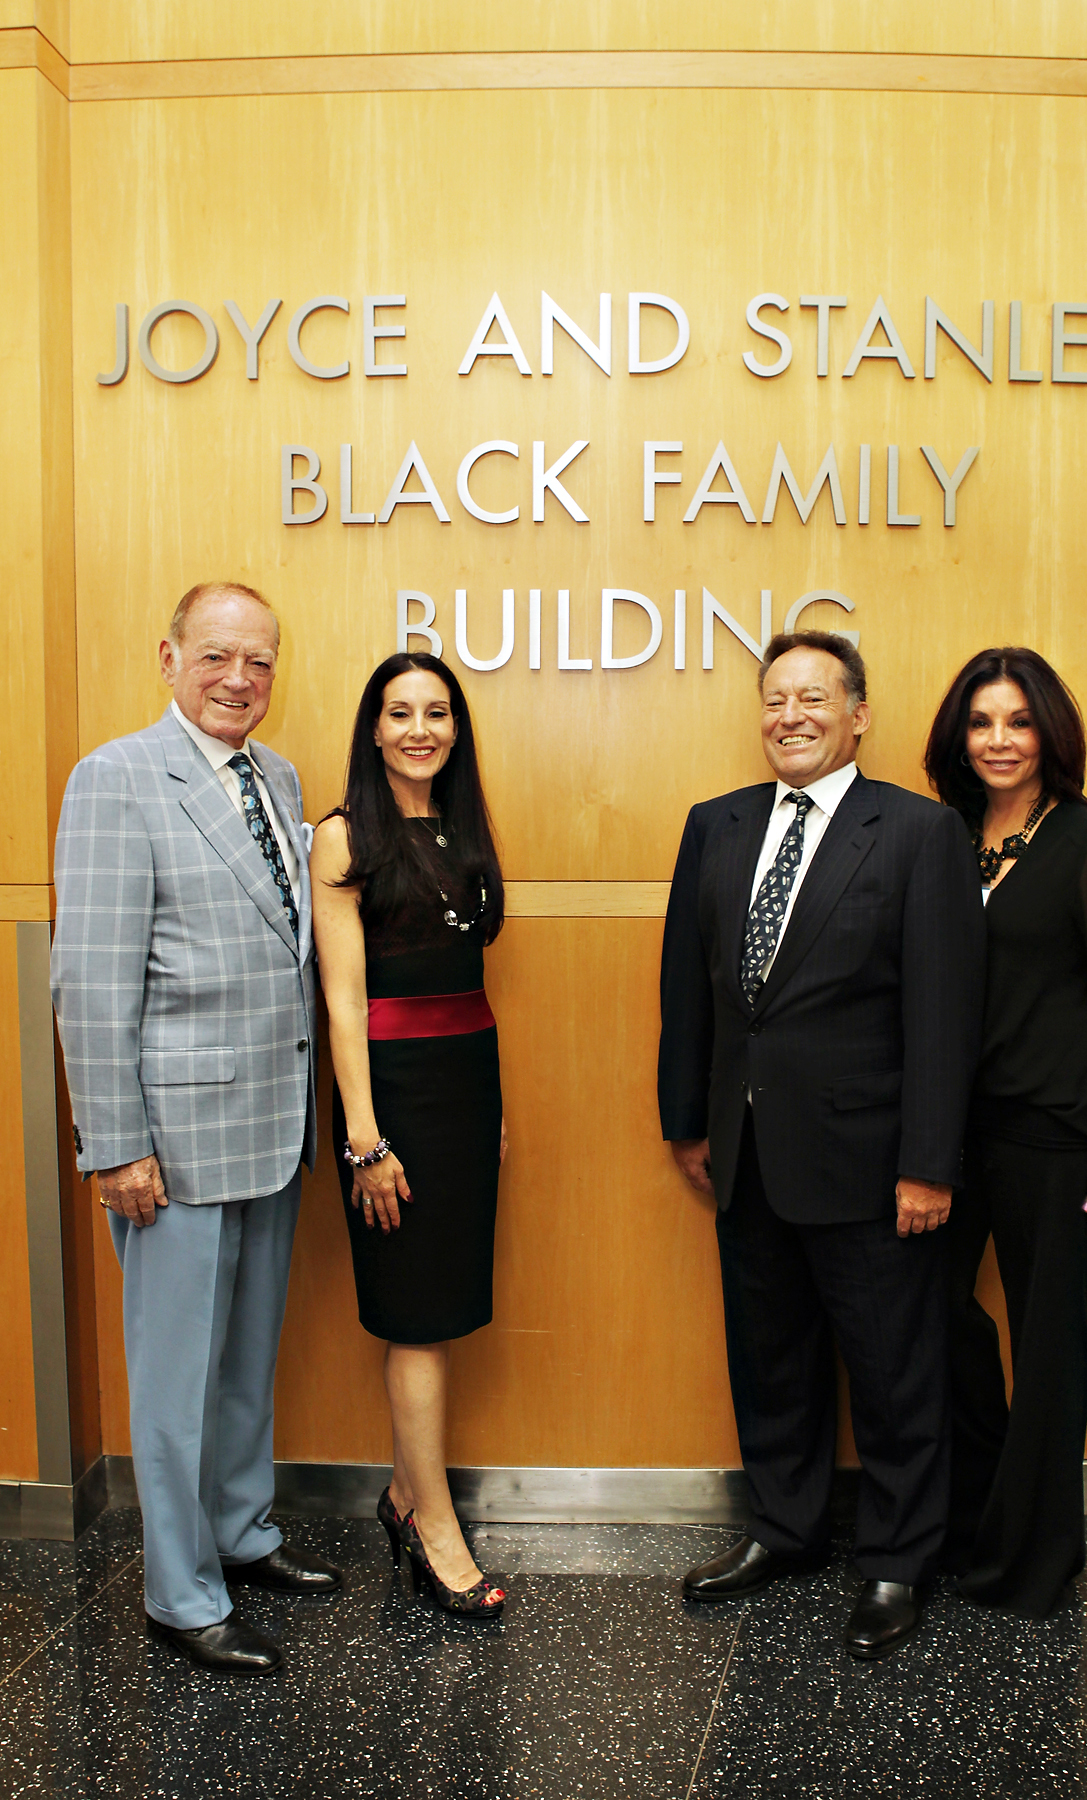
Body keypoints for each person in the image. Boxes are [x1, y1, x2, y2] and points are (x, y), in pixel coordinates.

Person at [659, 630, 985, 1659]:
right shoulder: (716, 827)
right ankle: (787, 1531)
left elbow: (945, 1012)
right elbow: (688, 992)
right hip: (745, 1152)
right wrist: (687, 1121)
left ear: (859, 716)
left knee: (895, 1369)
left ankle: (897, 1559)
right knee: (772, 1361)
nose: (789, 715)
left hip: (874, 1161)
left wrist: (930, 1161)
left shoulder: (919, 832)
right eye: (774, 698)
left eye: (813, 697)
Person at [51, 581, 339, 1677]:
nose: (239, 680)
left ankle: (241, 1533)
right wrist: (113, 1143)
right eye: (217, 656)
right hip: (167, 1146)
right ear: (166, 656)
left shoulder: (278, 777)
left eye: (260, 661)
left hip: (269, 1125)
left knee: (244, 1364)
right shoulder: (118, 778)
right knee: (173, 1381)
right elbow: (90, 980)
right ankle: (180, 1594)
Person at [925, 646, 1087, 1617]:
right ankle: (981, 1511)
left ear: (1048, 735)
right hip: (952, 1131)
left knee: (1049, 1347)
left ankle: (1033, 1559)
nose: (998, 740)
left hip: (1054, 1134)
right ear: (960, 735)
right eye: (982, 722)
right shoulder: (945, 835)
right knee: (931, 1316)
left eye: (1017, 722)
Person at [310, 652, 507, 1619]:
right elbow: (345, 1003)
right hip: (390, 1097)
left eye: (437, 713)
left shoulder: (460, 826)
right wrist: (365, 1140)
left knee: (443, 1306)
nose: (420, 729)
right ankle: (435, 1533)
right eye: (400, 713)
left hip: (467, 1089)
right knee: (416, 1316)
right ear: (373, 729)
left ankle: (401, 1493)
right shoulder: (343, 838)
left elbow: (469, 979)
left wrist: (495, 1108)